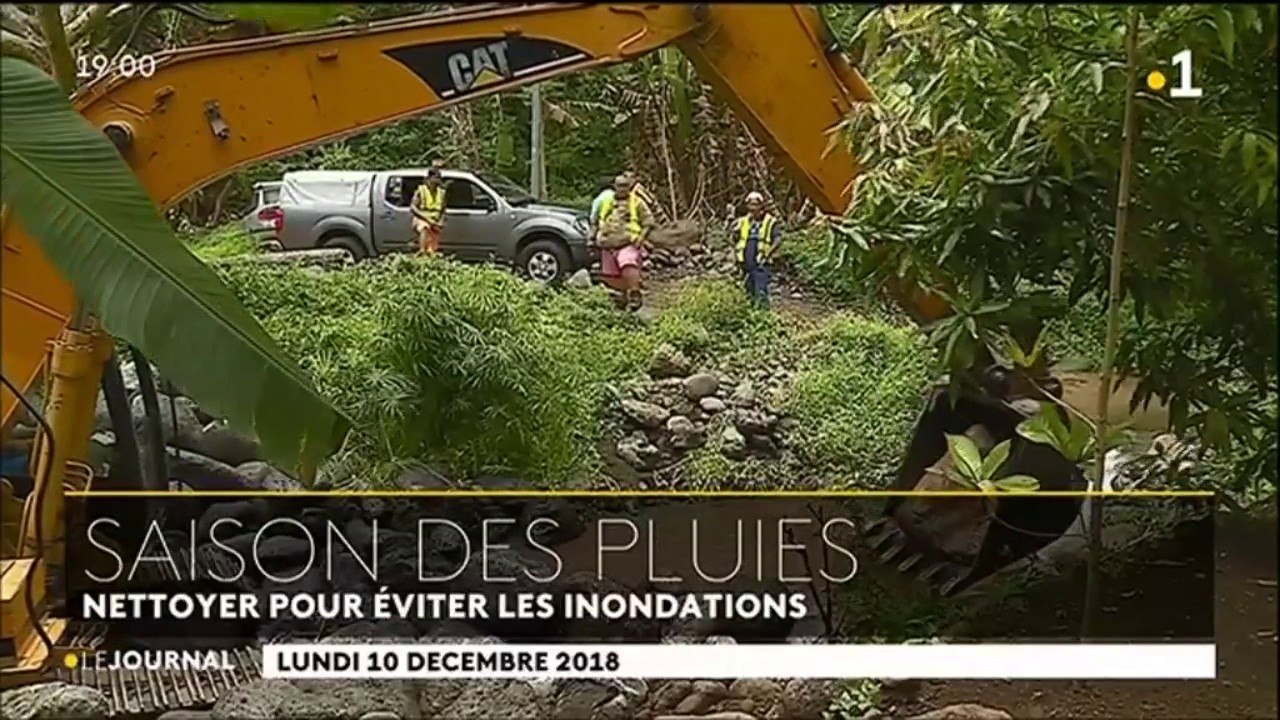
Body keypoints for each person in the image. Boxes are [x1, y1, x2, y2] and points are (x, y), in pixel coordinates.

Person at [596, 174, 654, 311]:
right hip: (607, 244)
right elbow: (596, 220)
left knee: (627, 263)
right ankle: (620, 301)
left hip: (627, 242)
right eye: (620, 186)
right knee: (611, 275)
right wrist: (593, 237)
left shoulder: (637, 202)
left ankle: (635, 294)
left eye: (626, 186)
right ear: (614, 187)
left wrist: (641, 238)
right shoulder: (607, 201)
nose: (623, 189)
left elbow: (649, 222)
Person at [734, 191, 783, 307]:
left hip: (761, 262)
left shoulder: (770, 222)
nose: (752, 208)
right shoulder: (743, 221)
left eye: (755, 204)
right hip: (746, 263)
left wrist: (769, 253)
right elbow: (737, 239)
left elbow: (778, 239)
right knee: (748, 293)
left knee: (760, 292)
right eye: (750, 204)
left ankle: (763, 313)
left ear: (761, 206)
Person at [412, 165, 446, 253]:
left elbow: (443, 209)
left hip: (435, 220)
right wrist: (427, 219)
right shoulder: (421, 190)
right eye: (435, 178)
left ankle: (431, 253)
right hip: (422, 218)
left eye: (439, 178)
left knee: (433, 243)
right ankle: (422, 250)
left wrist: (441, 221)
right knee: (425, 227)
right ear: (429, 178)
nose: (437, 180)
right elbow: (413, 207)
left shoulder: (441, 192)